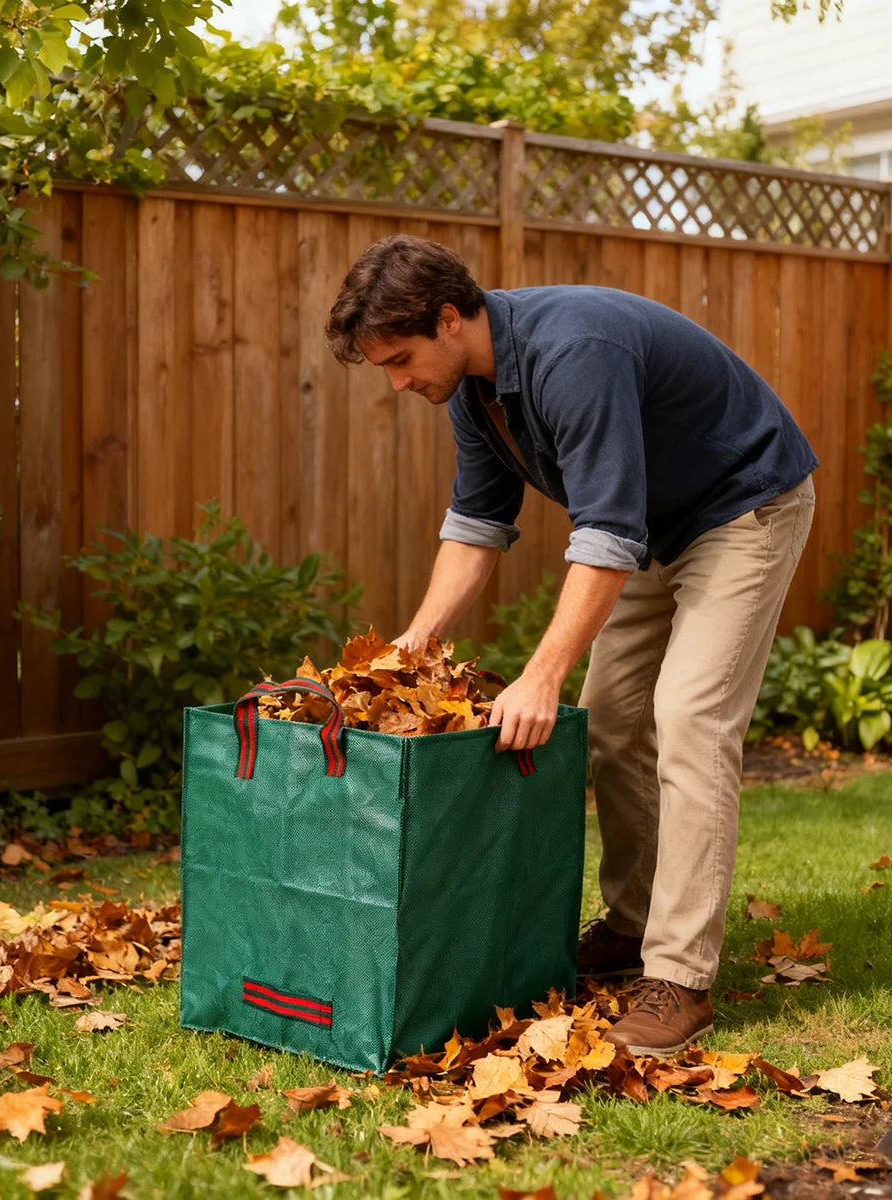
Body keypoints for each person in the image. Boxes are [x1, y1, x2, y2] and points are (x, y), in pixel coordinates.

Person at [324, 234, 817, 1056]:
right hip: (656, 528)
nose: (398, 382)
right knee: (614, 724)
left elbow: (607, 531)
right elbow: (476, 525)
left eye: (401, 360)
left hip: (742, 510)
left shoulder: (573, 351)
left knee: (690, 719)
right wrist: (414, 642)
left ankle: (680, 979)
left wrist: (541, 673)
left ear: (448, 319)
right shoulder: (475, 392)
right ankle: (633, 924)